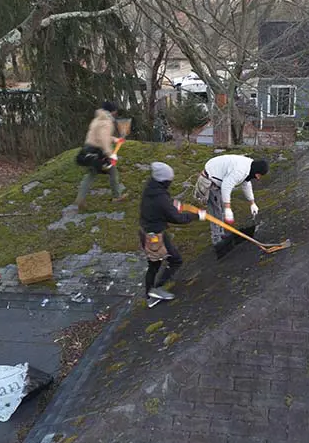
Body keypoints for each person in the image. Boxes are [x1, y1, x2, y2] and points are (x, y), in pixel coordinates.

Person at [140, 162, 206, 304]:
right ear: (164, 180)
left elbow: (164, 205)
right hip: (155, 237)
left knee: (154, 264)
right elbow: (177, 218)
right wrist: (197, 216)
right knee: (175, 260)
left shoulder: (152, 187)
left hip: (146, 231)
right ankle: (156, 289)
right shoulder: (161, 198)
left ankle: (149, 294)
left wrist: (173, 204)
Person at [194, 154, 268, 256]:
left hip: (219, 179)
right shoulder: (240, 170)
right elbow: (226, 186)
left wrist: (252, 203)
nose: (258, 178)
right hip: (210, 180)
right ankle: (217, 243)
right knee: (217, 213)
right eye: (259, 175)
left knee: (221, 211)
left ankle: (222, 235)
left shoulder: (248, 168)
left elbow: (246, 184)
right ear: (256, 171)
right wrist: (228, 208)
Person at [75, 100, 127, 208]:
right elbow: (103, 139)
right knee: (112, 171)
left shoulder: (97, 119)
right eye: (115, 111)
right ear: (112, 111)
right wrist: (110, 154)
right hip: (99, 151)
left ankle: (80, 198)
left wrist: (115, 140)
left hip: (88, 149)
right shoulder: (107, 122)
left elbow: (100, 136)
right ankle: (116, 196)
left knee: (91, 174)